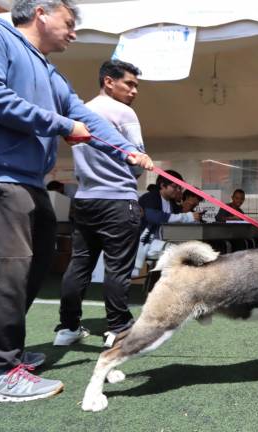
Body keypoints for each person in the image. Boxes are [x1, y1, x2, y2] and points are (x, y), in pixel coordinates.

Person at [0, 0, 153, 404]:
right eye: (69, 22)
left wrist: (125, 150)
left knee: (30, 269)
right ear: (41, 11)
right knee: (1, 272)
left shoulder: (47, 69)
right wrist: (62, 125)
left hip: (30, 181)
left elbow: (84, 116)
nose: (74, 33)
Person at [53, 59, 148, 349]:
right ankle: (118, 328)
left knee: (79, 264)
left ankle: (68, 327)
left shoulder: (80, 114)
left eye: (136, 86)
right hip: (118, 200)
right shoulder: (124, 112)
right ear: (109, 81)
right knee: (117, 268)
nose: (134, 91)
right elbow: (137, 162)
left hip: (84, 200)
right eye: (129, 83)